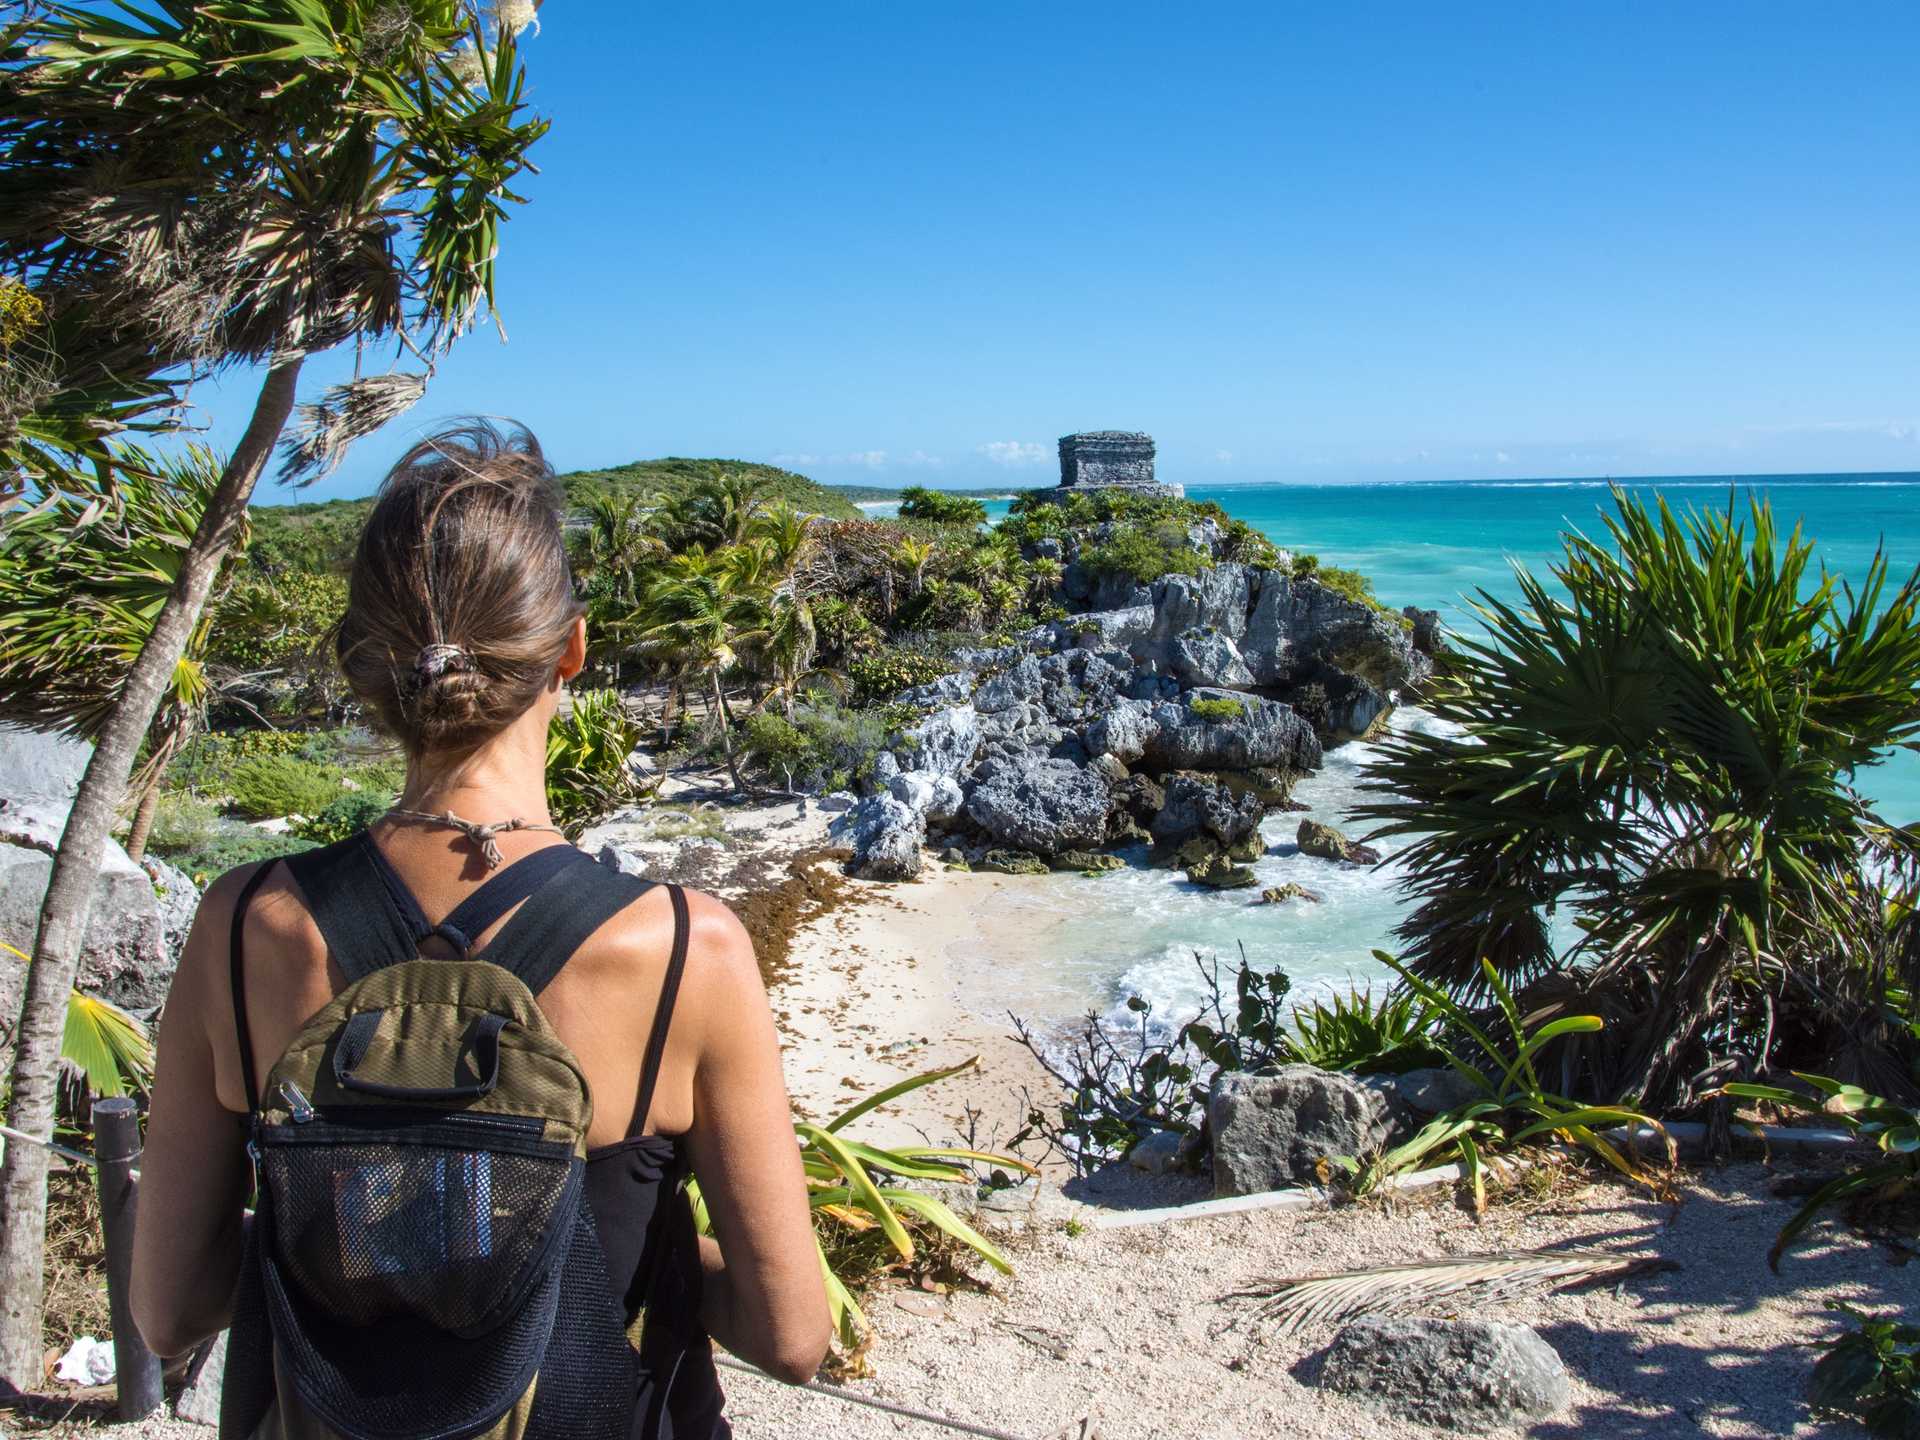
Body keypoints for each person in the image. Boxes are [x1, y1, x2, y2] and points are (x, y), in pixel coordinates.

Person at [131, 421, 829, 1437]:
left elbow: (169, 1311)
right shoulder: (684, 950)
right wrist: (613, 1252)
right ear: (573, 650)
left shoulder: (244, 926)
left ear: (363, 663)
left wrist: (364, 1235)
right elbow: (792, 1336)